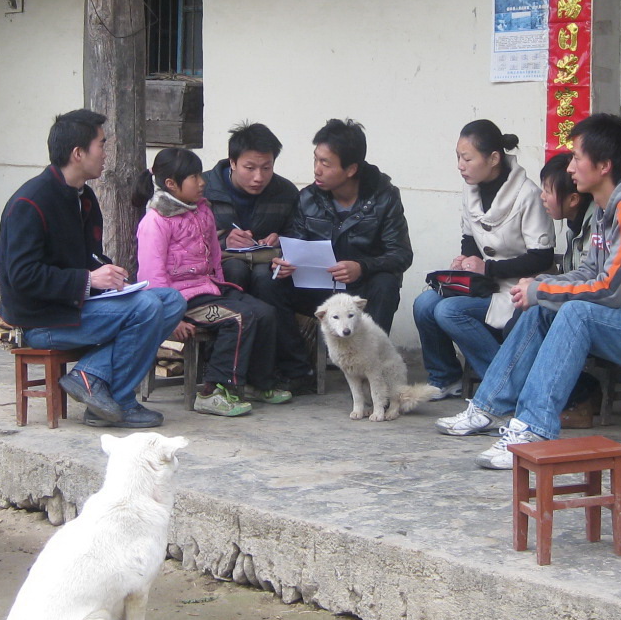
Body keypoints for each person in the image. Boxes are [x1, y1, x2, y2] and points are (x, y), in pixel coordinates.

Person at [437, 114, 621, 469]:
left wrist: (541, 289)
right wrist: (541, 289)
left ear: (604, 166)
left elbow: (610, 290)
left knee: (576, 313)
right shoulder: (608, 207)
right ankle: (489, 406)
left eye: (576, 157)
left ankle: (534, 428)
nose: (570, 167)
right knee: (544, 309)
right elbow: (590, 271)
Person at [0, 110, 185, 429]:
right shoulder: (31, 203)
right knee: (146, 307)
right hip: (42, 320)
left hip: (77, 306)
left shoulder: (83, 197)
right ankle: (120, 401)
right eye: (101, 144)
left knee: (171, 300)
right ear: (78, 153)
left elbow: (88, 256)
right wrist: (89, 278)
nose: (106, 153)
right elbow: (22, 277)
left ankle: (89, 375)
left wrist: (108, 272)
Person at [134, 147, 291, 417]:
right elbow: (151, 275)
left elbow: (215, 256)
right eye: (194, 177)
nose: (202, 182)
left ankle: (257, 383)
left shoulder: (202, 210)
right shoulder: (156, 221)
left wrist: (219, 285)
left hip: (208, 290)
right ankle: (213, 392)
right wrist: (170, 316)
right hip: (180, 300)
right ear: (171, 184)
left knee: (265, 312)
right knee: (238, 318)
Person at [269, 118, 413, 391]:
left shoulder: (384, 197)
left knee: (386, 283)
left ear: (351, 169)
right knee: (270, 283)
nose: (317, 169)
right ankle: (298, 369)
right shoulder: (308, 198)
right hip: (320, 288)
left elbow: (401, 254)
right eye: (316, 159)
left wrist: (362, 267)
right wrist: (284, 262)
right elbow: (294, 242)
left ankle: (374, 372)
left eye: (326, 163)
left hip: (361, 289)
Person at [413, 120, 555, 397]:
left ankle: (504, 384)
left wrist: (487, 268)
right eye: (458, 157)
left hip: (516, 289)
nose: (460, 166)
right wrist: (466, 260)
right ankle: (445, 378)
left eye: (467, 159)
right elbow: (470, 236)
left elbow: (541, 257)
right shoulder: (471, 189)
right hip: (482, 284)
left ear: (493, 158)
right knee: (424, 304)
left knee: (449, 311)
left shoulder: (527, 194)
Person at [202, 121, 300, 294]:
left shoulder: (286, 192)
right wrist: (223, 242)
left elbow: (297, 235)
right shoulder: (203, 189)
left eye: (266, 168)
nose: (259, 177)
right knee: (235, 269)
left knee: (266, 276)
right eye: (250, 168)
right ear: (233, 162)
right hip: (218, 264)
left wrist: (280, 241)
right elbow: (184, 240)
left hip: (267, 263)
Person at [540, 151, 594, 273]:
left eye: (547, 191)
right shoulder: (575, 228)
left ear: (573, 199)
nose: (542, 196)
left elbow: (585, 279)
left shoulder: (595, 228)